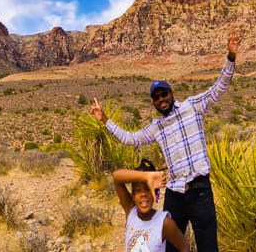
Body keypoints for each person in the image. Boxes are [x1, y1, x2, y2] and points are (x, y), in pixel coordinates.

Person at [91, 29, 240, 252]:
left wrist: (230, 57)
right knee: (170, 247)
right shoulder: (156, 127)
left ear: (171, 93)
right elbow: (130, 139)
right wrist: (104, 120)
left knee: (208, 247)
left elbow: (220, 87)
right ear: (153, 102)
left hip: (200, 191)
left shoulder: (193, 106)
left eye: (164, 94)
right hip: (175, 193)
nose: (161, 99)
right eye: (157, 97)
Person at [114, 159, 189, 252]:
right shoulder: (131, 212)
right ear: (133, 196)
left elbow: (184, 248)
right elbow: (116, 176)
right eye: (138, 190)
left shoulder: (164, 222)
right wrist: (146, 176)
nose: (143, 194)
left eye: (148, 189)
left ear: (156, 193)